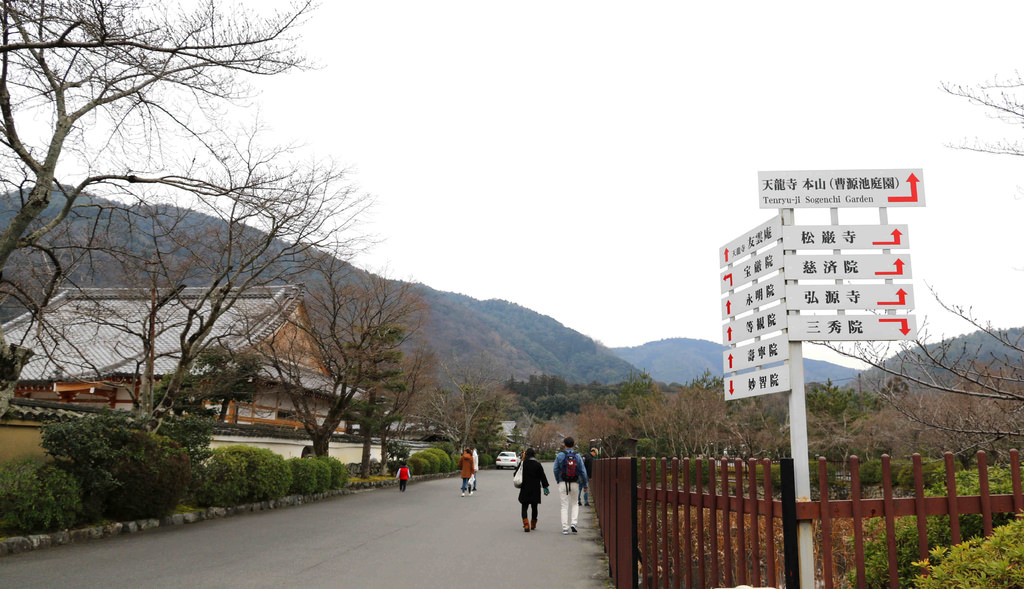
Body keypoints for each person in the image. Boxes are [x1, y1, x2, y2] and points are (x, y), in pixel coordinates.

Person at [553, 436, 589, 535]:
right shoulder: (577, 456)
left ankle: (565, 528)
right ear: (573, 445)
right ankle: (574, 523)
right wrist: (585, 485)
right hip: (575, 483)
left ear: (564, 445)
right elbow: (583, 471)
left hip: (562, 482)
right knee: (574, 504)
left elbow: (555, 469)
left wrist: (558, 479)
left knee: (564, 506)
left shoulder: (560, 455)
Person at [515, 447, 549, 532]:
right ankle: (533, 524)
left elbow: (516, 473)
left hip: (525, 487)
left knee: (524, 506)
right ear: (534, 454)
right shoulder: (537, 464)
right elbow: (542, 476)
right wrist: (545, 487)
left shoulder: (523, 463)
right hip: (535, 488)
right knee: (534, 507)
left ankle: (526, 525)